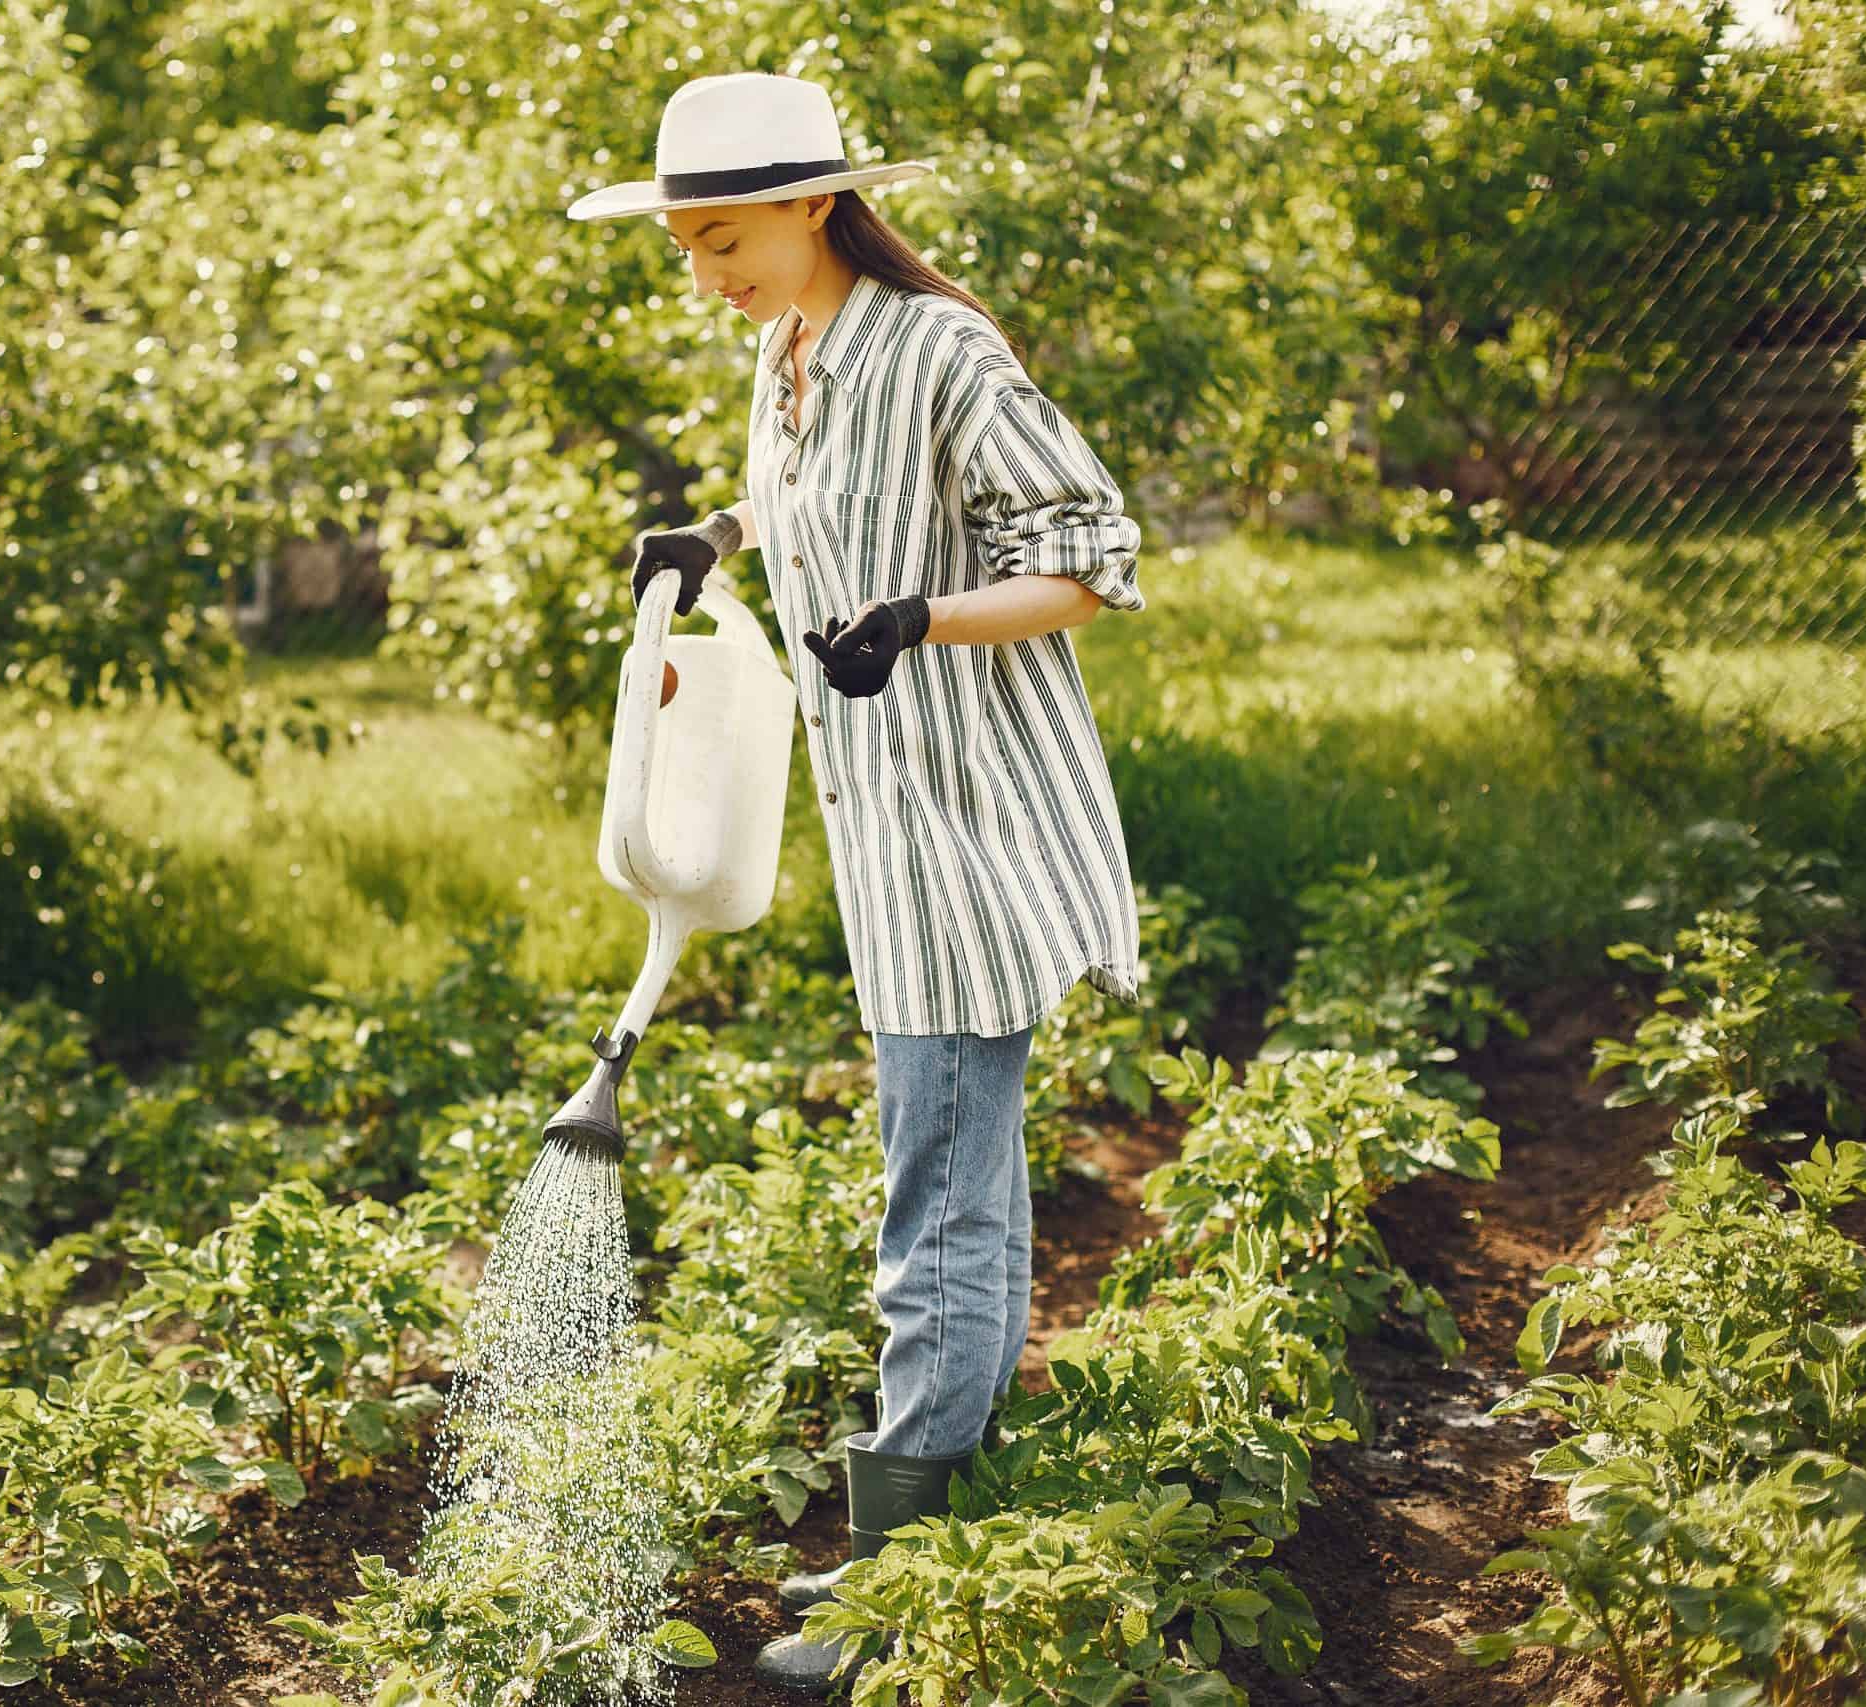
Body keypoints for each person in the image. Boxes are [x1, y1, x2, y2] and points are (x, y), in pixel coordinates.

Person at [565, 71, 1148, 1694]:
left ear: (815, 205)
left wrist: (921, 620)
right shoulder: (791, 347)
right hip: (889, 834)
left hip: (968, 828)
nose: (706, 273)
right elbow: (817, 497)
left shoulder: (942, 347)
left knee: (936, 1203)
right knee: (965, 1176)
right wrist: (721, 537)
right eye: (685, 244)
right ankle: (950, 1523)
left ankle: (899, 1583)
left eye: (725, 237)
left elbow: (1094, 551)